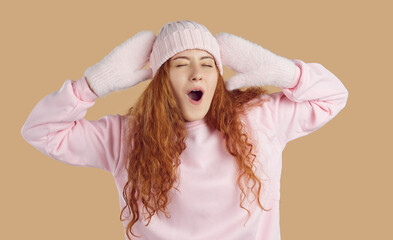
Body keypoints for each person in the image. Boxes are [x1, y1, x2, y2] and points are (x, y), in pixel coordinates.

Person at [21, 20, 348, 240]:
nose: (196, 74)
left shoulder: (260, 117)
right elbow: (40, 130)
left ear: (218, 78)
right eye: (180, 64)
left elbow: (334, 96)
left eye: (207, 64)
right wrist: (93, 84)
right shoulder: (125, 137)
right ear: (161, 80)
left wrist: (283, 70)